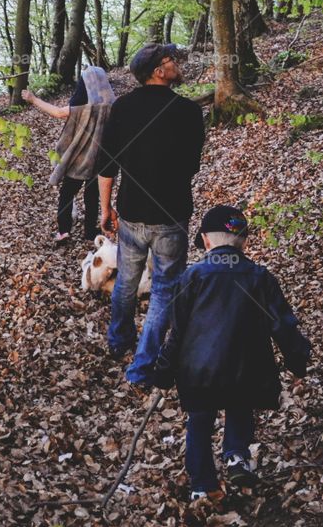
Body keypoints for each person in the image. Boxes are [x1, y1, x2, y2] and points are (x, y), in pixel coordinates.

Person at [152, 205, 310, 501]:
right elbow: (283, 324)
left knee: (199, 423)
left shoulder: (192, 277)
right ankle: (236, 454)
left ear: (207, 241)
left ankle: (203, 484)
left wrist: (163, 370)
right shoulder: (259, 278)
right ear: (244, 242)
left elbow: (178, 332)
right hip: (246, 368)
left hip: (198, 373)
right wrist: (297, 358)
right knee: (240, 403)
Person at [97, 42, 205, 387]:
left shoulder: (123, 108)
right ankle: (142, 367)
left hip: (131, 212)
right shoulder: (188, 111)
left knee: (127, 280)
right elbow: (191, 166)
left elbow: (106, 163)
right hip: (171, 214)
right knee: (163, 290)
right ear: (159, 70)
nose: (178, 65)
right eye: (172, 61)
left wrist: (105, 207)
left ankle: (119, 340)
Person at [21, 66, 115, 244]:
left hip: (79, 161)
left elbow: (57, 112)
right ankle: (89, 231)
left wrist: (33, 99)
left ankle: (64, 231)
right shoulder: (113, 107)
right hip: (100, 162)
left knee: (66, 195)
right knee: (92, 196)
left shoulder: (82, 108)